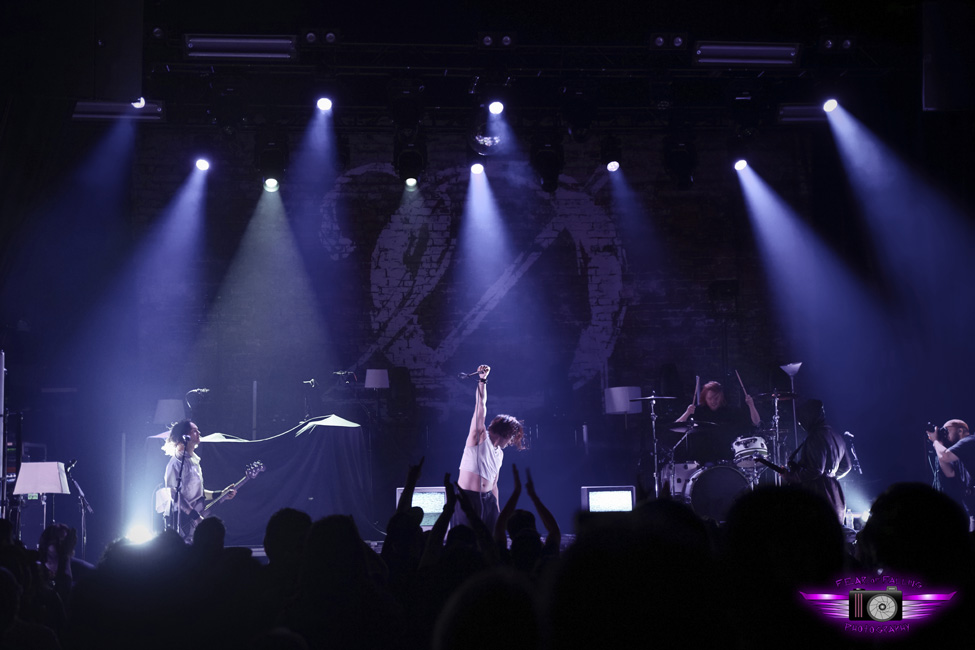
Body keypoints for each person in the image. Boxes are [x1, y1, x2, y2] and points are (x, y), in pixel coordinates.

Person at [452, 364, 525, 536]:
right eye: (512, 438)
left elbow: (494, 484)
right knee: (467, 540)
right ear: (507, 433)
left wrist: (497, 510)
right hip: (468, 499)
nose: (512, 442)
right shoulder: (478, 438)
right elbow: (480, 408)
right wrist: (482, 380)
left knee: (491, 542)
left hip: (489, 502)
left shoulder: (500, 454)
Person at [160, 419, 236, 541]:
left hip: (193, 517)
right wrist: (195, 516)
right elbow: (174, 494)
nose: (199, 433)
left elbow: (199, 493)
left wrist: (221, 493)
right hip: (181, 520)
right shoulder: (176, 463)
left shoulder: (194, 461)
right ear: (184, 436)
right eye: (194, 431)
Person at [782, 399, 852, 523]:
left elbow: (815, 470)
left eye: (801, 419)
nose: (800, 423)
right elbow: (847, 466)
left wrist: (791, 477)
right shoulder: (837, 436)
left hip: (818, 496)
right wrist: (830, 476)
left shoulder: (815, 436)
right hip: (835, 496)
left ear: (809, 416)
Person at [674, 380, 760, 464]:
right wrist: (687, 413)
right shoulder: (698, 411)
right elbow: (676, 426)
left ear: (721, 397)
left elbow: (756, 422)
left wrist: (751, 405)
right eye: (710, 398)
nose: (713, 401)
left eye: (716, 398)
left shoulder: (730, 411)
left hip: (727, 457)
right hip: (702, 458)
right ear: (705, 398)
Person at [928, 419, 974, 516]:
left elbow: (945, 456)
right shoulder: (958, 453)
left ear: (960, 431)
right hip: (971, 507)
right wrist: (939, 444)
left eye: (947, 430)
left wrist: (935, 441)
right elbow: (949, 472)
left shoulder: (970, 440)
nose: (945, 435)